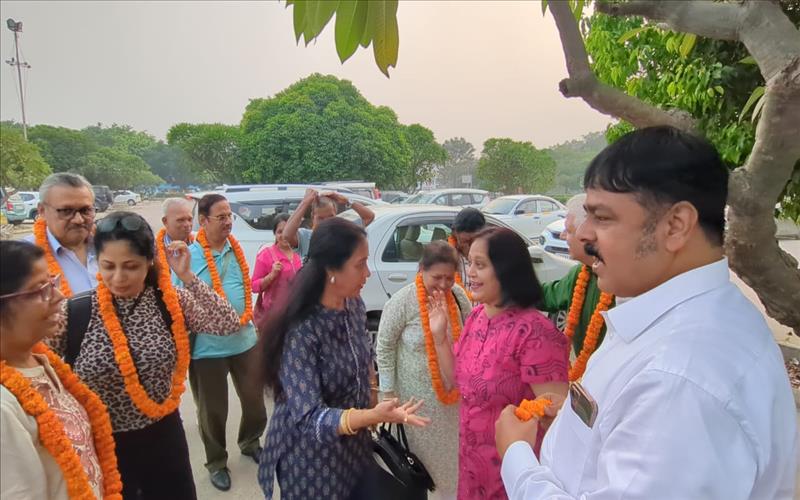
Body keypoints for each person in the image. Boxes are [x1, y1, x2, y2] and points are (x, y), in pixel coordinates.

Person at [495, 126, 798, 499]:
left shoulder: (679, 380)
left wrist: (517, 458)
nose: (584, 235)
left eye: (602, 218)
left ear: (675, 226)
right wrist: (585, 428)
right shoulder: (677, 320)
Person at [41, 211, 241, 499]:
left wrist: (186, 276)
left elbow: (227, 323)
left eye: (131, 266)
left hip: (163, 436)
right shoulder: (74, 312)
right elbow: (41, 373)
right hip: (103, 443)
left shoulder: (169, 302)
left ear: (149, 263)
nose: (118, 278)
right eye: (108, 266)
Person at [258, 217, 430, 500]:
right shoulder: (301, 329)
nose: (368, 273)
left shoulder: (352, 303)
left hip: (354, 448)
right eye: (360, 264)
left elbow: (364, 350)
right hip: (310, 462)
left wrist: (373, 392)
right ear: (330, 270)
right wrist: (372, 416)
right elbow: (310, 419)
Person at [430, 227, 569, 499]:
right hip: (471, 469)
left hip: (515, 475)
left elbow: (558, 419)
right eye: (469, 262)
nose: (469, 273)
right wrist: (440, 338)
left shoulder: (535, 333)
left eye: (480, 265)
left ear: (507, 271)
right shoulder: (477, 317)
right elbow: (459, 382)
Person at [0, 241, 122, 500]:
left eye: (52, 282)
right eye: (41, 290)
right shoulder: (4, 407)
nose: (59, 297)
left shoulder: (39, 361)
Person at [376, 241, 472, 499]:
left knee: (452, 470)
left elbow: (468, 342)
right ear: (420, 270)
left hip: (451, 407)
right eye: (436, 277)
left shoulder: (460, 298)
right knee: (416, 470)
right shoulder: (402, 302)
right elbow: (384, 347)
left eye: (449, 278)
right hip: (416, 407)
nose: (443, 284)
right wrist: (387, 394)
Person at [185, 193, 268, 492]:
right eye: (221, 217)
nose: (228, 221)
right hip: (207, 350)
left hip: (245, 341)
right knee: (213, 412)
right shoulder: (188, 258)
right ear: (203, 221)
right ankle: (216, 462)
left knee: (256, 402)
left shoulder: (237, 251)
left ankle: (250, 441)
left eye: (230, 215)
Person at [539, 194, 615, 365]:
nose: (562, 236)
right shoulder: (580, 274)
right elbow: (546, 295)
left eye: (569, 230)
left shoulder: (622, 281)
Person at [26, 172, 98, 296]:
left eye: (85, 210)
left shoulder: (110, 244)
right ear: (42, 211)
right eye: (66, 211)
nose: (78, 220)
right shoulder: (24, 257)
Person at [283, 187, 376, 260]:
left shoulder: (343, 233)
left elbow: (369, 217)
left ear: (336, 214)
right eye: (321, 218)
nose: (326, 222)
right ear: (313, 217)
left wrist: (347, 201)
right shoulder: (304, 237)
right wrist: (305, 202)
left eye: (330, 216)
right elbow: (287, 235)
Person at [251, 213, 302, 326]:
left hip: (297, 316)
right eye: (280, 232)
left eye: (288, 230)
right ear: (274, 233)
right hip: (273, 319)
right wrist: (271, 276)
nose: (284, 235)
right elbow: (254, 286)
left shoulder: (300, 253)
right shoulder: (266, 255)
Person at [449, 207, 486, 296]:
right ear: (455, 233)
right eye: (465, 241)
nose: (469, 248)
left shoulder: (491, 255)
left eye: (473, 241)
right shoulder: (444, 256)